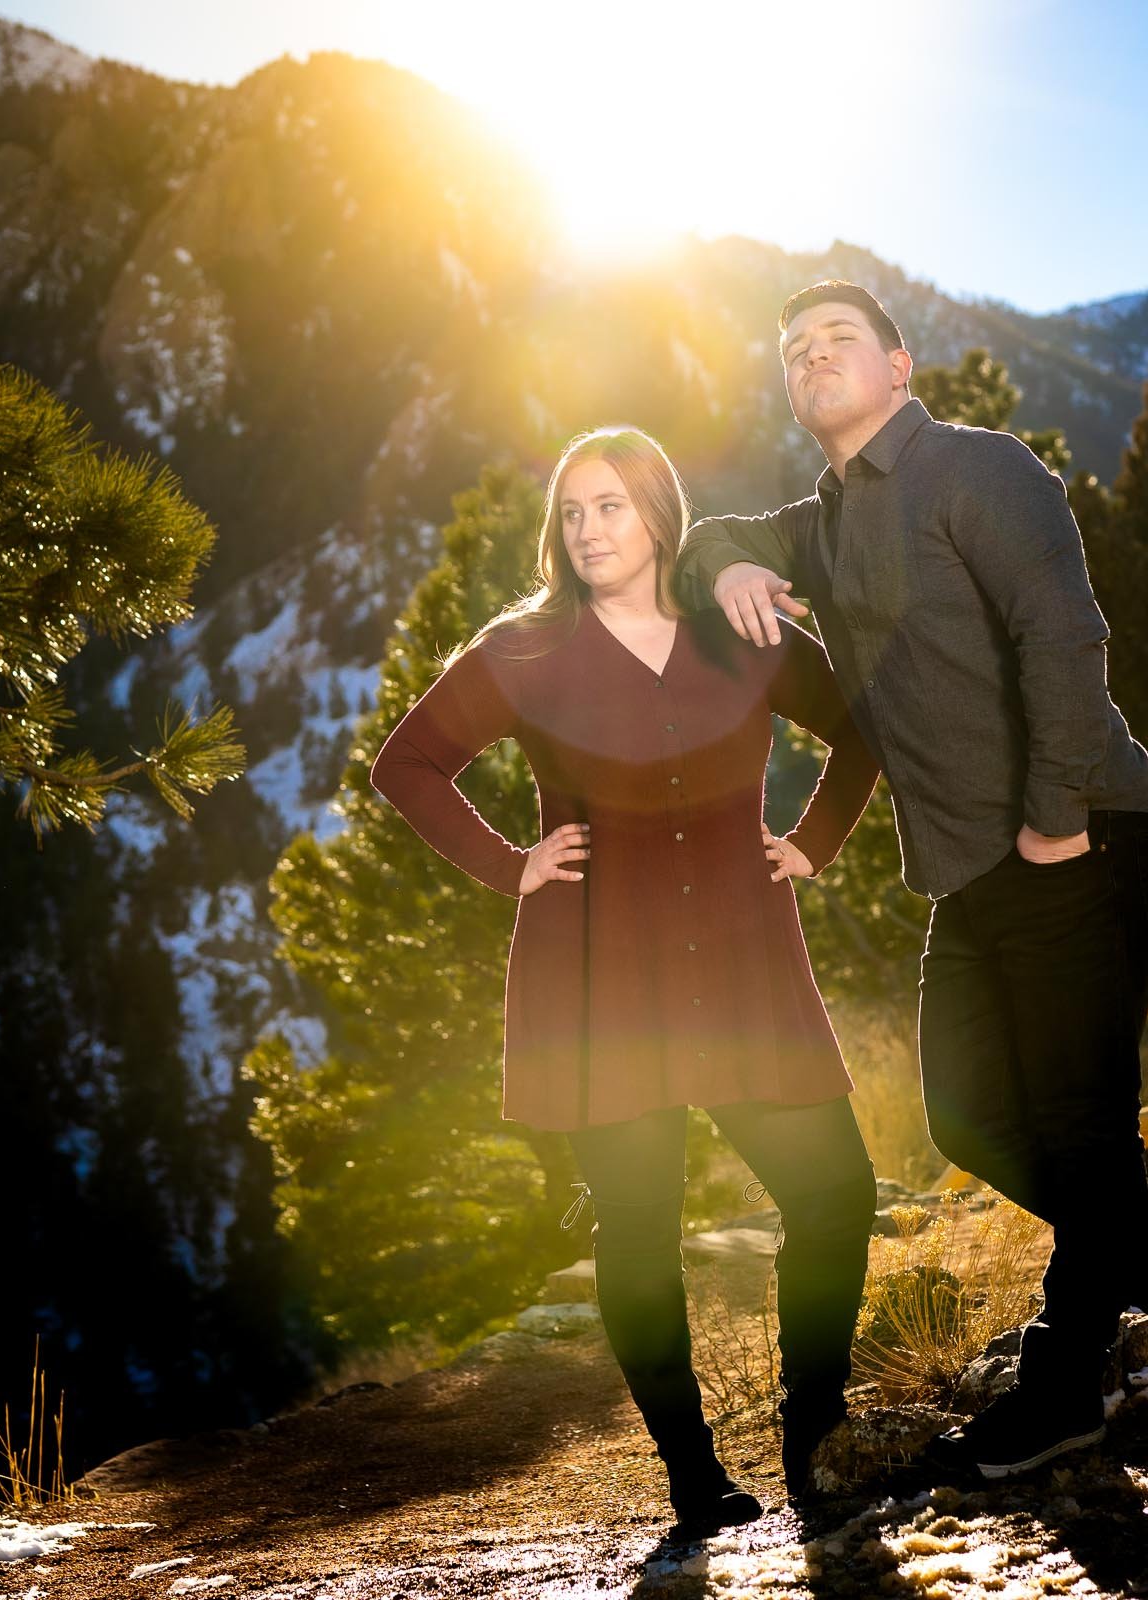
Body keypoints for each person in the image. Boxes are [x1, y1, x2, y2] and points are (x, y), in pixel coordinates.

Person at [674, 281, 1148, 1478]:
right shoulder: (823, 524)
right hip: (970, 875)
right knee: (969, 1114)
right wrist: (729, 562)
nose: (814, 358)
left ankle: (1063, 1388)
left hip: (1080, 833)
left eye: (840, 339)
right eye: (795, 350)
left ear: (899, 366)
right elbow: (709, 535)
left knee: (1077, 1129)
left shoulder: (978, 468)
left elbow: (1066, 635)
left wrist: (1052, 820)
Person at [370, 425, 884, 1533]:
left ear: (659, 514)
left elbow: (862, 729)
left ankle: (816, 1433)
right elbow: (403, 765)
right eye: (573, 511)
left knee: (836, 1191)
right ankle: (694, 1475)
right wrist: (512, 866)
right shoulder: (525, 649)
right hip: (600, 977)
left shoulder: (735, 632)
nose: (591, 528)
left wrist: (814, 840)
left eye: (612, 505)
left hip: (746, 964)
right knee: (641, 1228)